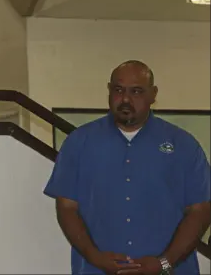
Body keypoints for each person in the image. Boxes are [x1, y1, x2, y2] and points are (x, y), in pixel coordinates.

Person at [44, 60, 210, 275]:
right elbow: (66, 208)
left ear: (153, 94)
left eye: (137, 91)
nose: (125, 99)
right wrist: (96, 258)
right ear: (109, 90)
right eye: (118, 90)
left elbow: (201, 210)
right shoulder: (79, 143)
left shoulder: (184, 145)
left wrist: (163, 264)